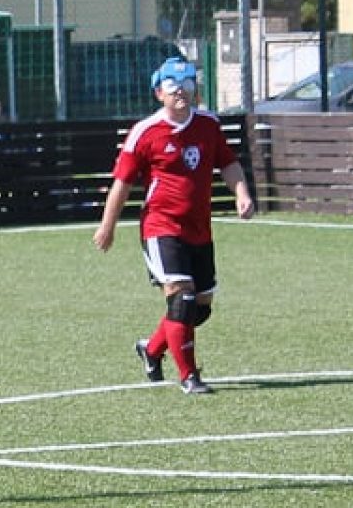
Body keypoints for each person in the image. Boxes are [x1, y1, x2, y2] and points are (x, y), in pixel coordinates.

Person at [92, 56, 256, 395]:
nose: (181, 91)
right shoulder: (145, 132)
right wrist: (107, 227)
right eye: (172, 85)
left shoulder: (208, 125)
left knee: (200, 307)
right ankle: (189, 376)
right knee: (182, 298)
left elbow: (228, 164)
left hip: (200, 229)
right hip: (161, 226)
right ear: (158, 92)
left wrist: (241, 193)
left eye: (187, 83)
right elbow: (122, 183)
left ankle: (152, 349)